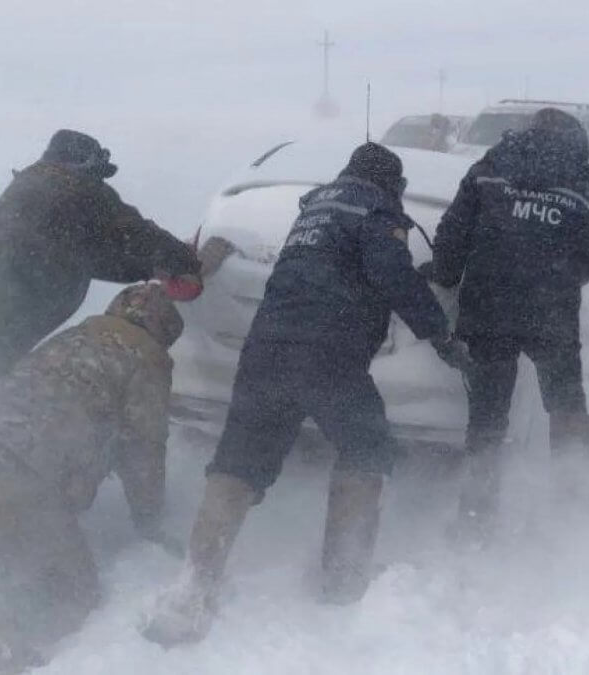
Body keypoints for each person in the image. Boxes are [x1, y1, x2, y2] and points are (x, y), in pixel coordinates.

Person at [141, 143, 471, 647]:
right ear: (392, 184)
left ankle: (194, 585)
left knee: (238, 462)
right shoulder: (376, 211)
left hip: (265, 349)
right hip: (330, 353)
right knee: (366, 447)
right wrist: (441, 337)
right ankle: (343, 578)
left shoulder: (313, 212)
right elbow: (393, 276)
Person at [0, 283, 185, 672]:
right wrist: (150, 520)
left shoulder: (75, 334)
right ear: (164, 331)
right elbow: (144, 448)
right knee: (72, 586)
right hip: (20, 474)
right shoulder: (147, 358)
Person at [0, 129, 201, 426]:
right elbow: (138, 235)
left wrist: (151, 269)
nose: (101, 182)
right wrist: (184, 259)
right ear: (85, 167)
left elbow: (91, 257)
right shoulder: (78, 190)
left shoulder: (35, 195)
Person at [420, 108, 589, 534]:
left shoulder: (490, 168)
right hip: (551, 312)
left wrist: (446, 274)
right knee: (565, 403)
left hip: (489, 306)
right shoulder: (584, 185)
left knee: (488, 416)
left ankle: (476, 515)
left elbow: (454, 233)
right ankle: (572, 501)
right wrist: (563, 277)